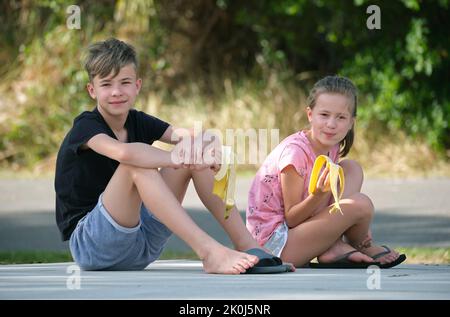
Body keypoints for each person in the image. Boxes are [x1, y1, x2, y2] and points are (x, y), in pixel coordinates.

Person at [55, 38, 293, 274]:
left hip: (142, 242)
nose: (116, 92)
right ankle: (209, 252)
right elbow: (125, 153)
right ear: (92, 90)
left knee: (195, 157)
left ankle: (248, 246)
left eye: (124, 82)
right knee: (135, 165)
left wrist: (208, 145)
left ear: (137, 86)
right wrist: (176, 158)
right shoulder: (85, 127)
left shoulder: (138, 120)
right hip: (94, 245)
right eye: (106, 84)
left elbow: (189, 136)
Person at [246, 75, 406, 268]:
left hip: (301, 230)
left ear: (351, 122)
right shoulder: (295, 153)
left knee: (351, 168)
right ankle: (353, 244)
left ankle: (339, 245)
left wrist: (343, 217)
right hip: (275, 246)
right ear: (310, 115)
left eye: (341, 117)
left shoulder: (332, 145)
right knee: (361, 204)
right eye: (324, 115)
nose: (331, 124)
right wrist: (318, 195)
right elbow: (292, 218)